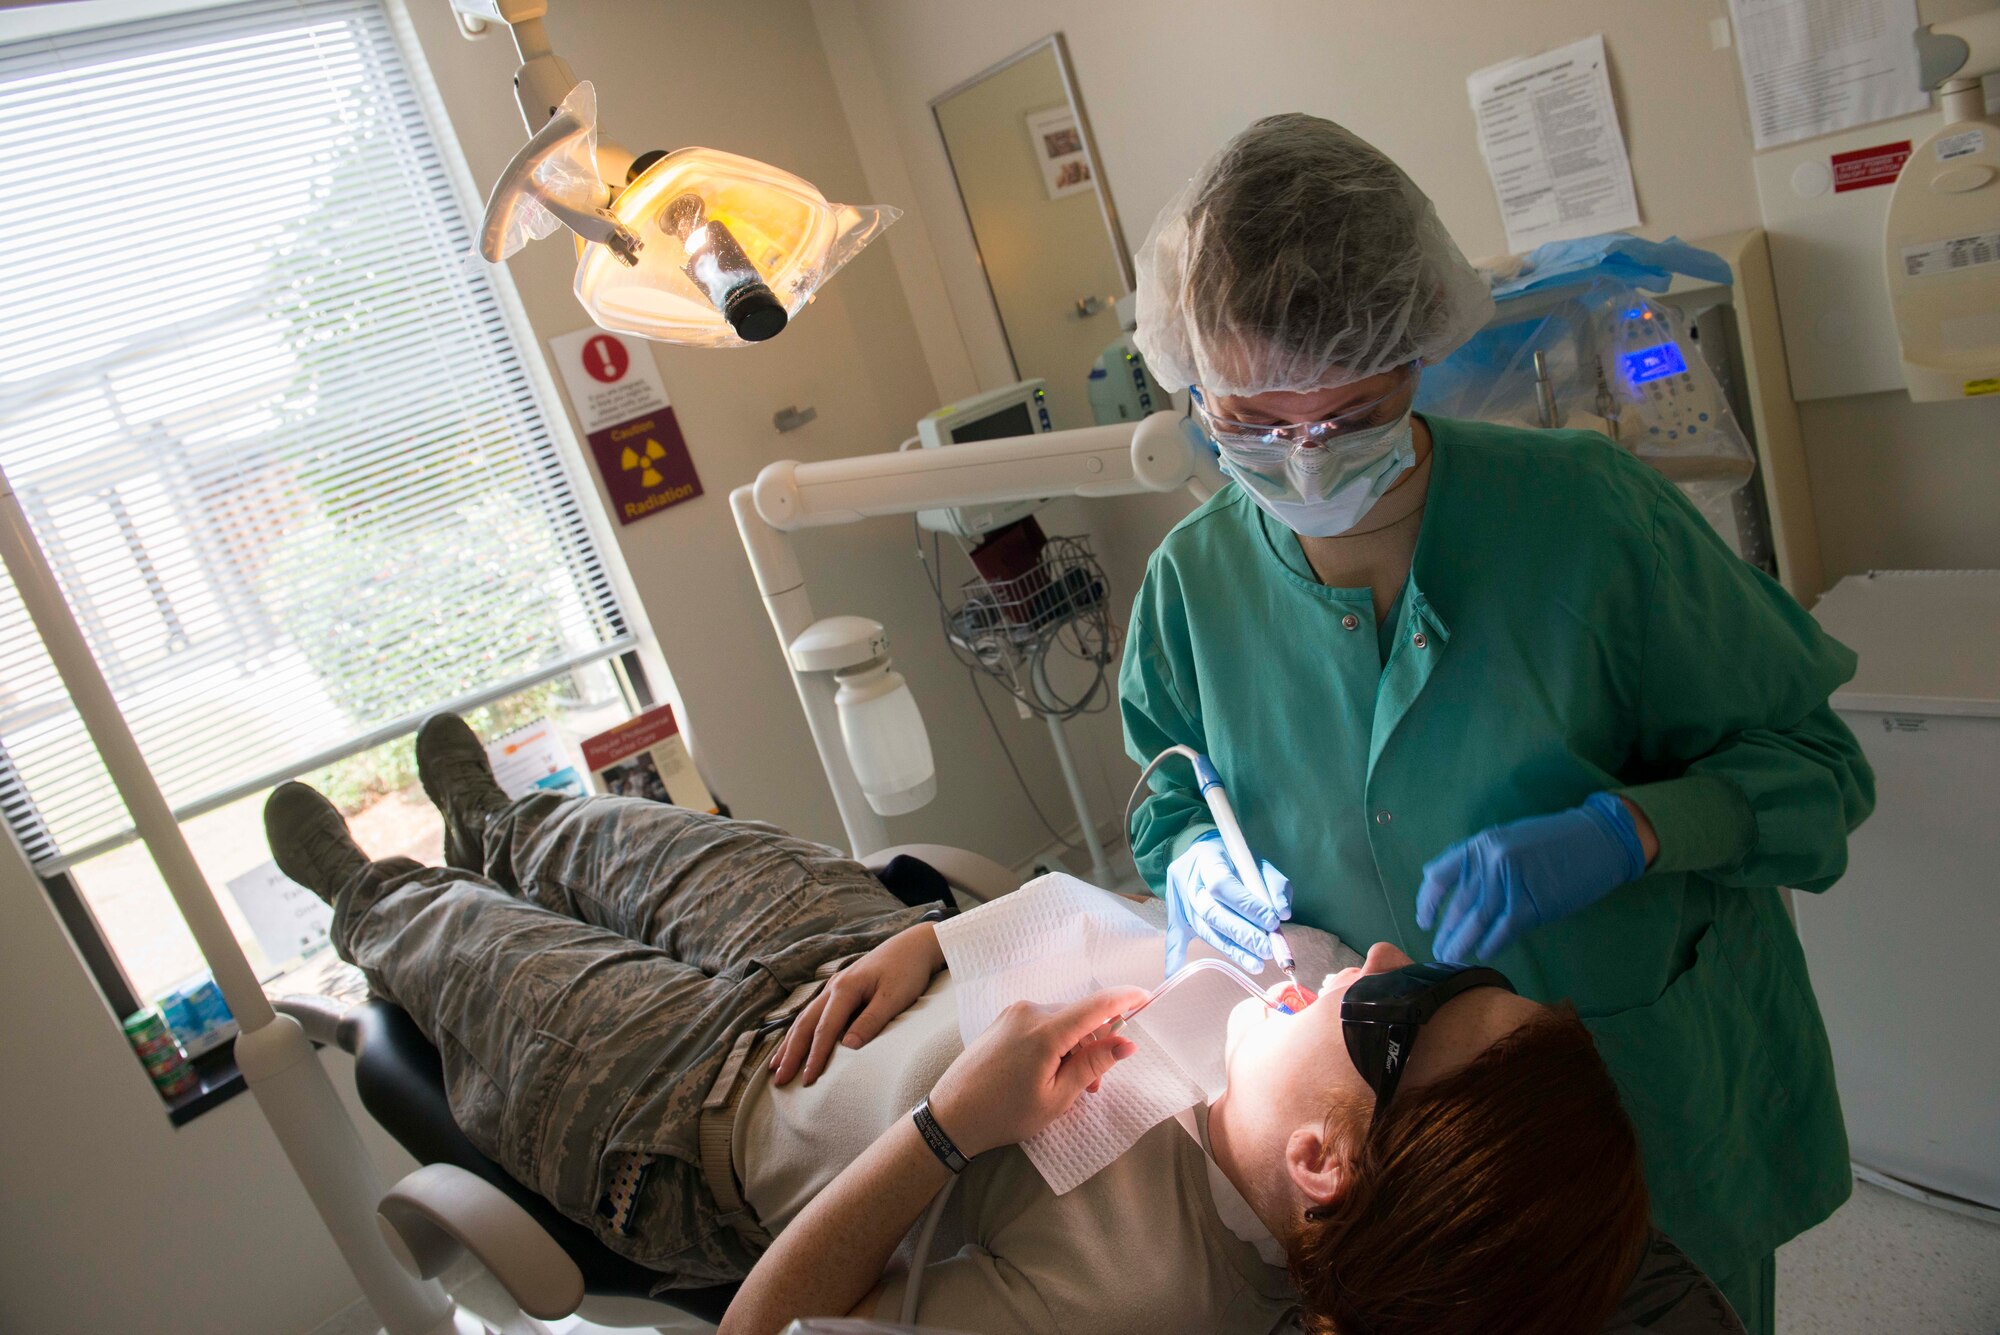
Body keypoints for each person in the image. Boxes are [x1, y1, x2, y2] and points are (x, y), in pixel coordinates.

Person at [1120, 113, 1874, 1335]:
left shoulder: (1588, 518)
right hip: (1420, 1189)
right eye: (1253, 425)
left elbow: (1814, 770)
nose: (1303, 465)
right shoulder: (1190, 588)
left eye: (1345, 417)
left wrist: (1629, 831)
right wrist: (1188, 860)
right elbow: (1167, 786)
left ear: (1413, 352)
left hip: (1649, 1089)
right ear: (1188, 385)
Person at [262, 713, 1687, 1335]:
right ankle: (496, 818)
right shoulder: (1268, 1035)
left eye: (1404, 1005)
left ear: (1327, 1162)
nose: (1379, 953)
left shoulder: (1141, 1293)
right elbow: (1088, 929)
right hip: (848, 953)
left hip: (700, 1111)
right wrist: (936, 935)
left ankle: (373, 887)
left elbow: (767, 1321)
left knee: (469, 945)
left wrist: (952, 1127)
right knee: (612, 832)